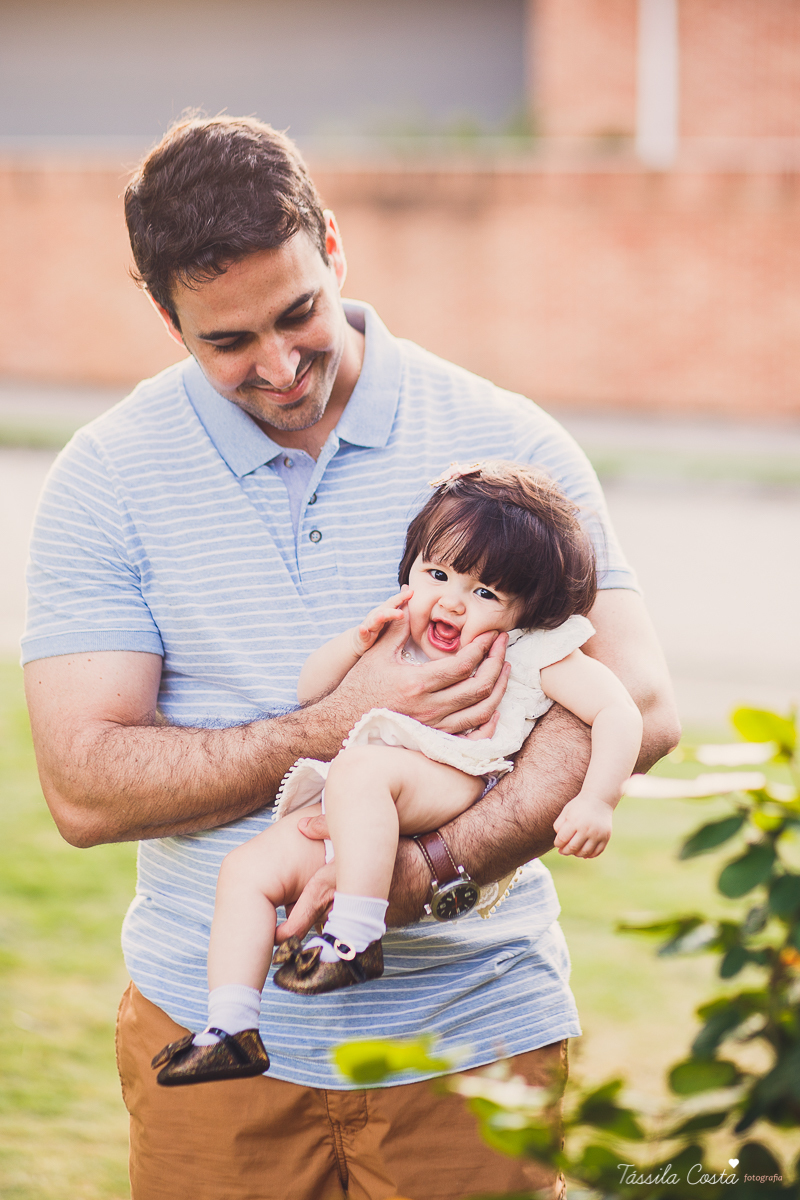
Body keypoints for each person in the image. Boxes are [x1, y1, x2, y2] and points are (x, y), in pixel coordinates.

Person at [22, 114, 680, 1200]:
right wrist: (335, 725)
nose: (279, 367)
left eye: (298, 315)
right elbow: (84, 788)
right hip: (211, 1042)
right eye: (227, 342)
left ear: (333, 246)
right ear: (164, 314)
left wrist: (432, 868)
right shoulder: (108, 476)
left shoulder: (506, 439)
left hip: (470, 1039)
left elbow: (639, 703)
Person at [153, 461, 644, 1087]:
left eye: (485, 593)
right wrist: (354, 647)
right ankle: (231, 1026)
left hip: (454, 776)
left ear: (527, 610)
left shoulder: (529, 651)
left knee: (360, 771)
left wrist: (597, 800)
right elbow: (311, 691)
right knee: (245, 871)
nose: (451, 600)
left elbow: (620, 712)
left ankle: (356, 939)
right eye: (436, 573)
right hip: (362, 798)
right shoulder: (398, 631)